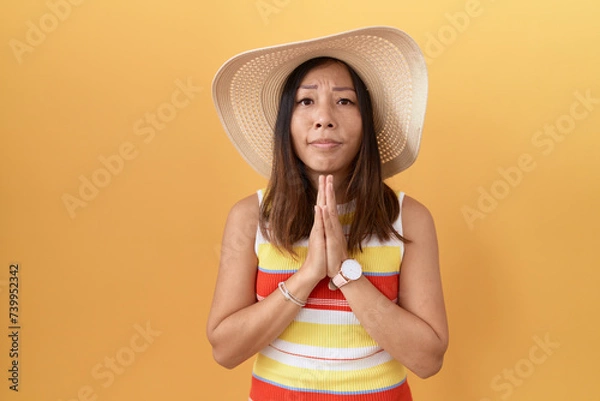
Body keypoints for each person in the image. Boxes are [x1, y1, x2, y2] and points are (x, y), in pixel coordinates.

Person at [207, 26, 449, 400]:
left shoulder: (409, 218)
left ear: (367, 122)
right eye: (306, 102)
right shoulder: (250, 216)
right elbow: (225, 350)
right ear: (285, 123)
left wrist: (344, 272)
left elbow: (428, 359)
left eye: (344, 101)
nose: (324, 118)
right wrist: (307, 275)